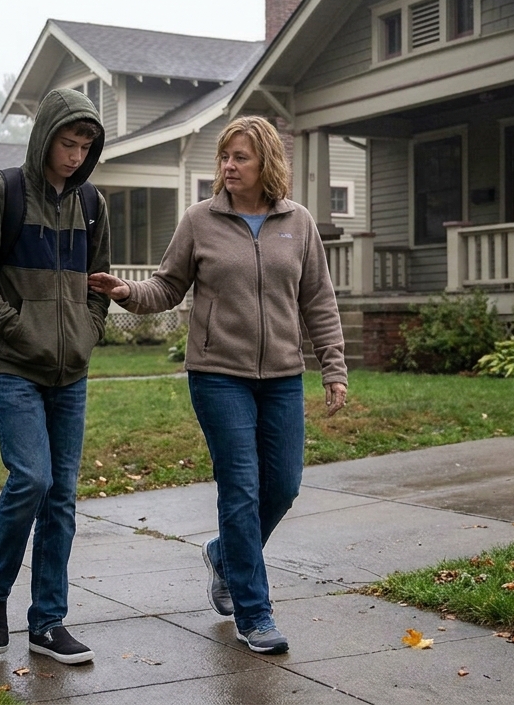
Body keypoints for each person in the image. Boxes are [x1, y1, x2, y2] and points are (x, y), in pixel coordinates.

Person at [87, 115, 347, 655]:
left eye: (241, 157)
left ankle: (223, 554)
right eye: (225, 157)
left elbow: (317, 299)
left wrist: (334, 367)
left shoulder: (297, 223)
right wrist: (128, 293)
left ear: (266, 163)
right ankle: (255, 614)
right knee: (242, 488)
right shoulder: (199, 221)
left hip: (281, 376)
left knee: (284, 486)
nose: (229, 166)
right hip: (217, 375)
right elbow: (168, 286)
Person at [0, 88, 110, 665]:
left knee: (63, 496)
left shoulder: (93, 203)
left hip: (71, 370)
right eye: (67, 143)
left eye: (85, 146)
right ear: (45, 136)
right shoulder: (3, 194)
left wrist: (90, 331)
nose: (74, 155)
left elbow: (100, 281)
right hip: (14, 363)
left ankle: (47, 622)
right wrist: (18, 329)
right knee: (32, 479)